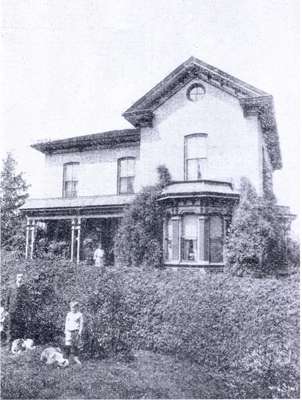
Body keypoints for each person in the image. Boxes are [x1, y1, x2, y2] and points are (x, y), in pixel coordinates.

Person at [5, 273, 30, 344]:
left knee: (20, 326)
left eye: (22, 277)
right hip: (12, 310)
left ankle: (20, 344)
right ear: (16, 278)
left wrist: (26, 309)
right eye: (19, 277)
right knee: (10, 328)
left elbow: (27, 299)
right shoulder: (11, 287)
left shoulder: (24, 288)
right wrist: (6, 309)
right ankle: (9, 344)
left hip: (21, 311)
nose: (20, 278)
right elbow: (7, 298)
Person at [65, 301, 83, 365]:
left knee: (76, 346)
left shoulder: (79, 314)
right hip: (69, 331)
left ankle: (76, 358)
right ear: (70, 308)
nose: (73, 309)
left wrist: (79, 332)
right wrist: (66, 331)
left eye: (75, 307)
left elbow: (81, 324)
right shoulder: (68, 314)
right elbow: (66, 323)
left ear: (77, 308)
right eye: (72, 307)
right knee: (67, 345)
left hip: (76, 332)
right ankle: (66, 359)